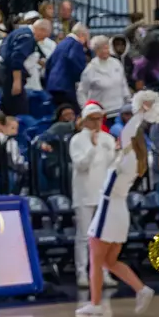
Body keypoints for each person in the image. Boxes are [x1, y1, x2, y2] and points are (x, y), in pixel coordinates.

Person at [76, 95, 157, 317]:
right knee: (110, 261)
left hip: (108, 209)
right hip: (120, 211)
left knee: (96, 259)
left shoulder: (124, 159)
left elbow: (130, 131)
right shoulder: (133, 159)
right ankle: (142, 289)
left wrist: (140, 113)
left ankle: (95, 303)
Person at [68, 102, 116, 290]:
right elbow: (80, 165)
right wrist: (92, 147)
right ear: (86, 120)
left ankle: (104, 273)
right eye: (94, 119)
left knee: (104, 237)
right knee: (83, 236)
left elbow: (113, 165)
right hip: (84, 194)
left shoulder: (108, 139)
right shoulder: (77, 140)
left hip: (103, 195)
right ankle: (82, 272)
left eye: (100, 118)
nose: (97, 122)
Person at [0, 17, 48, 117]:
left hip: (5, 72)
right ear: (41, 30)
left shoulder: (19, 31)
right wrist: (17, 81)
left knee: (8, 108)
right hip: (11, 76)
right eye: (44, 36)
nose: (43, 40)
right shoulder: (28, 37)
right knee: (19, 112)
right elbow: (16, 58)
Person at [44, 22, 90, 111]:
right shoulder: (76, 44)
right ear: (81, 34)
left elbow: (49, 63)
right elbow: (74, 59)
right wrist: (81, 76)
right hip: (66, 86)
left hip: (53, 85)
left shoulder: (61, 44)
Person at [78, 35, 127, 116]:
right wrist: (87, 110)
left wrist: (127, 100)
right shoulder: (91, 69)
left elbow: (123, 84)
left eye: (107, 48)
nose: (105, 51)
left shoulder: (116, 63)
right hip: (101, 114)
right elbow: (81, 92)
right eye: (102, 48)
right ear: (96, 50)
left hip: (119, 111)